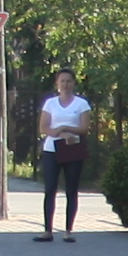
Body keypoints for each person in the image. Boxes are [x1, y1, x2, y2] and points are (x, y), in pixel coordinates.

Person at [37, 69, 95, 239]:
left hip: (73, 149)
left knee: (71, 189)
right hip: (52, 149)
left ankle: (68, 230)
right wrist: (60, 133)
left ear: (74, 83)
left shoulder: (81, 104)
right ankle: (48, 230)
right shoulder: (50, 103)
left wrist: (65, 128)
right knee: (50, 189)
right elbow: (44, 128)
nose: (65, 84)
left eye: (69, 81)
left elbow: (84, 128)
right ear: (57, 83)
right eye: (62, 81)